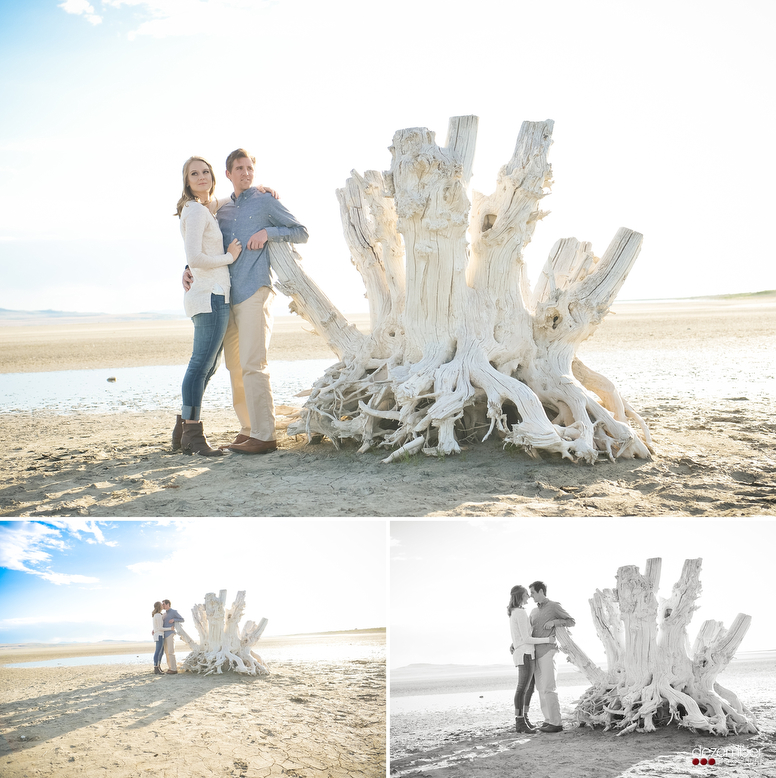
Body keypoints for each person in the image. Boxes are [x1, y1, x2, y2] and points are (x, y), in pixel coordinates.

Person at [184, 148, 308, 454]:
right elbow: (205, 246)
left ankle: (265, 435)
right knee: (235, 368)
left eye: (249, 168)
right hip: (227, 298)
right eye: (239, 169)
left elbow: (301, 232)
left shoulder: (265, 201)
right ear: (227, 175)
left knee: (254, 364)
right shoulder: (221, 210)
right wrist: (188, 268)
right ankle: (248, 428)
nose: (245, 173)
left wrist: (267, 232)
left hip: (255, 291)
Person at [173, 155, 242, 455]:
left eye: (205, 172)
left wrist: (258, 187)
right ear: (187, 182)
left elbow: (224, 201)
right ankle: (193, 435)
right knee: (200, 365)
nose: (201, 177)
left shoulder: (201, 209)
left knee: (206, 366)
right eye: (194, 174)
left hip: (211, 294)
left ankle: (183, 429)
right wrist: (229, 257)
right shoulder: (196, 211)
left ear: (213, 177)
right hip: (210, 295)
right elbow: (196, 259)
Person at [528, 580, 576, 733]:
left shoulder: (554, 606)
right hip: (535, 653)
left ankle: (556, 723)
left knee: (549, 688)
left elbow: (571, 621)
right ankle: (548, 720)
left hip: (549, 651)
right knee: (541, 689)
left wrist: (555, 622)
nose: (531, 596)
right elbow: (528, 632)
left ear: (541, 591)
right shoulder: (533, 612)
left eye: (533, 593)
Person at [508, 585, 555, 734]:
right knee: (523, 688)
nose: (529, 597)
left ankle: (524, 718)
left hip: (527, 653)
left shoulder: (516, 612)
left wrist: (514, 643)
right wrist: (548, 639)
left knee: (528, 689)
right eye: (526, 594)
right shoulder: (520, 613)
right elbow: (527, 638)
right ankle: (520, 721)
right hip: (525, 654)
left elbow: (520, 635)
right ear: (520, 596)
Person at [161, 598, 185, 674]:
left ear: (168, 604)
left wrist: (174, 620)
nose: (162, 606)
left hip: (170, 634)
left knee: (171, 651)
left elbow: (182, 619)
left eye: (164, 604)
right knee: (167, 652)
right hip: (164, 634)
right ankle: (170, 668)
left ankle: (174, 669)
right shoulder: (164, 614)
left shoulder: (174, 612)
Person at [151, 601, 165, 675]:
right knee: (158, 652)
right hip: (159, 635)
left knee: (161, 652)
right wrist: (170, 628)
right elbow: (160, 628)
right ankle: (156, 668)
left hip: (159, 635)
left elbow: (157, 627)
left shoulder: (156, 615)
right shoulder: (158, 615)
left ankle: (158, 667)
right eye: (161, 605)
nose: (163, 606)